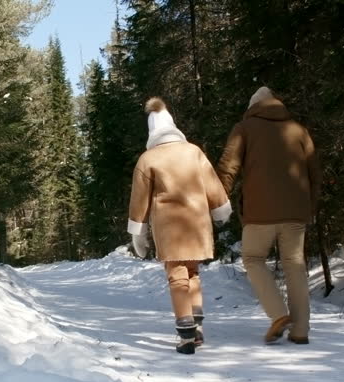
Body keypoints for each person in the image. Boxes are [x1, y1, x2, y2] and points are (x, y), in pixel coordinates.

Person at [216, 86, 321, 345]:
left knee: (253, 259)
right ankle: (300, 330)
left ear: (253, 107)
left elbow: (228, 167)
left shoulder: (245, 128)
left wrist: (218, 200)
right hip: (296, 211)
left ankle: (278, 315)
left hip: (260, 211)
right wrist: (310, 207)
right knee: (294, 264)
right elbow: (314, 173)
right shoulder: (299, 130)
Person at [127, 97, 232, 354]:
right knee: (193, 272)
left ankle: (186, 335)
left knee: (177, 276)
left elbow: (139, 200)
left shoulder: (148, 158)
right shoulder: (194, 152)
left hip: (169, 226)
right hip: (197, 223)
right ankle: (197, 327)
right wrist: (221, 209)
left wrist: (138, 233)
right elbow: (212, 184)